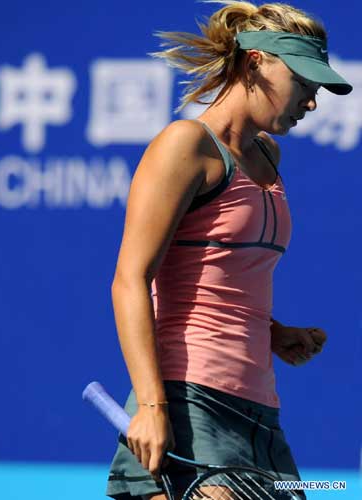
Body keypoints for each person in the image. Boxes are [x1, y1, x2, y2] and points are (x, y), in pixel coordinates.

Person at [106, 1, 352, 499]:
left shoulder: (268, 154)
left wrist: (272, 331)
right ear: (255, 63)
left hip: (260, 411)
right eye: (303, 83)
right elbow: (131, 278)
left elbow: (215, 273)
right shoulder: (184, 145)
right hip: (188, 401)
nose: (311, 102)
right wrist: (153, 408)